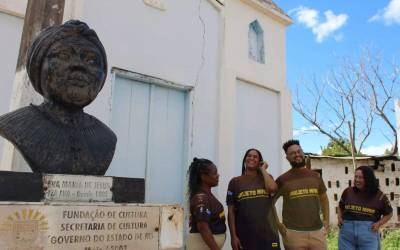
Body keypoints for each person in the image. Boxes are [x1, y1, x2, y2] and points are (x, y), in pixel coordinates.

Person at [0, 20, 116, 175]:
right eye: (64, 55)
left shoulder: (106, 138)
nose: (79, 65)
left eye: (91, 60)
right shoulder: (14, 125)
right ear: (38, 66)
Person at [275, 140, 329, 250]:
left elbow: (324, 199)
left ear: (303, 153)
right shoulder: (282, 180)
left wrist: (326, 220)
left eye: (299, 151)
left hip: (317, 232)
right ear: (287, 158)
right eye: (292, 153)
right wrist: (278, 224)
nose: (297, 154)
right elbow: (270, 203)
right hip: (293, 234)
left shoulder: (316, 176)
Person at [226, 148, 280, 250]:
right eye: (249, 156)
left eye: (255, 157)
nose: (251, 158)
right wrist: (233, 236)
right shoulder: (235, 182)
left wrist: (263, 169)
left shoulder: (267, 178)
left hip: (268, 234)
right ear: (245, 159)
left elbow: (272, 189)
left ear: (260, 161)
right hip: (245, 235)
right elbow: (231, 211)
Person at [338, 165, 393, 250]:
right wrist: (339, 217)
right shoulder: (347, 192)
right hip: (347, 234)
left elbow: (389, 213)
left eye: (361, 177)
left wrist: (378, 224)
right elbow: (340, 206)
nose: (357, 180)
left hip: (368, 234)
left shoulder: (379, 196)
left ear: (368, 179)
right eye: (356, 177)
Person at [187, 158, 226, 250]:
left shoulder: (206, 195)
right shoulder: (201, 198)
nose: (218, 175)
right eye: (214, 173)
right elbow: (203, 227)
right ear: (203, 176)